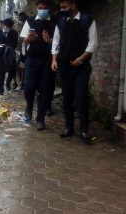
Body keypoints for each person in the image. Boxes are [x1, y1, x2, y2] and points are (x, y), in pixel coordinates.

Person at [51, 0, 98, 144]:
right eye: (61, 7)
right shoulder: (61, 22)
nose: (62, 10)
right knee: (67, 97)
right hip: (65, 65)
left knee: (81, 96)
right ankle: (68, 127)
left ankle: (84, 130)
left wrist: (81, 59)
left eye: (64, 7)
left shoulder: (88, 21)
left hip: (81, 66)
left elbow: (92, 44)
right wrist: (54, 59)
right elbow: (56, 42)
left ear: (73, 6)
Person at [20, 0, 55, 130]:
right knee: (29, 87)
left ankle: (40, 118)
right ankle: (29, 106)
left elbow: (59, 41)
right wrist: (30, 39)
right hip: (32, 58)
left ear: (49, 8)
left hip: (48, 60)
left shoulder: (55, 22)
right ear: (37, 7)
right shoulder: (30, 21)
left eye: (45, 8)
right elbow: (24, 40)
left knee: (45, 90)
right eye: (40, 8)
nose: (43, 10)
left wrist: (49, 41)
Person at [0, 18, 18, 95]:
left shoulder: (14, 33)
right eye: (6, 26)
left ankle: (8, 83)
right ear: (3, 25)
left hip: (9, 56)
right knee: (0, 74)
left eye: (9, 27)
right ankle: (0, 90)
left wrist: (6, 46)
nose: (7, 28)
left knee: (11, 72)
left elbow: (15, 45)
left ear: (11, 27)